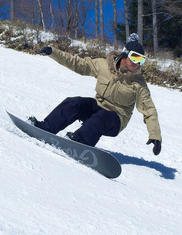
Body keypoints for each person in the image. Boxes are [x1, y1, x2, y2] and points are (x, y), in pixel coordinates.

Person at [31, 33, 162, 155]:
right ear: (125, 54)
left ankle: (79, 142)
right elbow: (78, 64)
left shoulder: (139, 84)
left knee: (102, 117)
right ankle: (45, 128)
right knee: (74, 103)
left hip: (116, 119)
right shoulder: (104, 65)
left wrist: (155, 135)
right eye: (135, 57)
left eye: (141, 60)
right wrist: (53, 52)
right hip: (97, 108)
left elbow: (149, 110)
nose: (137, 63)